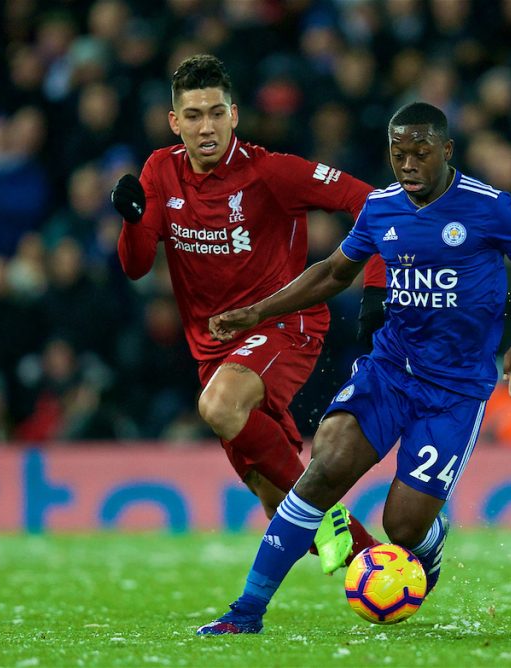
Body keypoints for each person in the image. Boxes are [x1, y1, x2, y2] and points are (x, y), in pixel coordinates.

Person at [197, 102, 511, 634]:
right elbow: (332, 273)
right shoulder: (382, 207)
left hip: (454, 391)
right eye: (398, 152)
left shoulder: (489, 207)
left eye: (420, 152)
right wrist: (259, 311)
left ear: (446, 150)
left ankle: (428, 543)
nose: (407, 163)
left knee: (402, 525)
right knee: (325, 467)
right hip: (390, 370)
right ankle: (247, 609)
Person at [110, 55, 382, 573]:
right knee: (272, 491)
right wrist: (132, 221)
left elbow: (366, 198)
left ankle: (332, 519)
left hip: (284, 324)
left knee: (217, 406)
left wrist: (369, 280)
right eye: (193, 116)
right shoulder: (159, 172)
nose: (205, 126)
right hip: (214, 346)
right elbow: (137, 266)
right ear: (175, 123)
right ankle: (377, 563)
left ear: (234, 115)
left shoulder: (271, 172)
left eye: (216, 112)